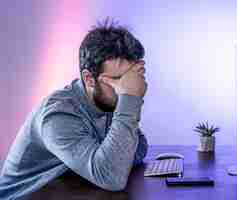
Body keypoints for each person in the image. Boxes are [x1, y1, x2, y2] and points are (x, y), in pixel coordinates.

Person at [0, 19, 148, 199]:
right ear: (89, 79)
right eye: (120, 80)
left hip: (66, 192)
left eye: (131, 79)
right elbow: (112, 177)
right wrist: (130, 100)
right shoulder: (58, 115)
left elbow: (139, 149)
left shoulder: (107, 104)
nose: (128, 87)